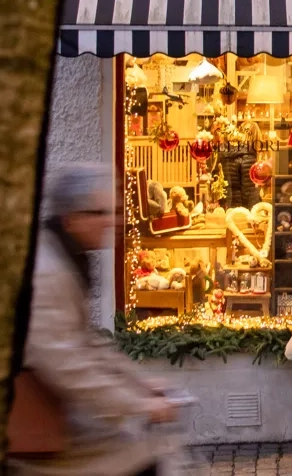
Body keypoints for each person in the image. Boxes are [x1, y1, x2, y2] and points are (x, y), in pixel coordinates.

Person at [8, 164, 181, 476]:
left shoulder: (67, 257)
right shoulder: (46, 272)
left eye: (114, 211)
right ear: (71, 219)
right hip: (34, 424)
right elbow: (67, 364)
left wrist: (139, 384)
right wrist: (137, 404)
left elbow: (87, 341)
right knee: (132, 454)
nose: (113, 221)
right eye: (99, 213)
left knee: (132, 449)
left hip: (52, 412)